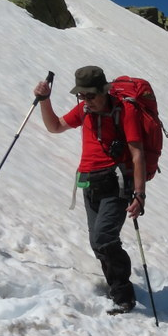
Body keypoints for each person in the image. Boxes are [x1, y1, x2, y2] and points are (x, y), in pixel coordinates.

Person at [33, 65, 146, 312]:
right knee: (98, 243)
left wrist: (139, 194)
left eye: (90, 95)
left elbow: (137, 154)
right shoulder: (83, 110)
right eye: (81, 96)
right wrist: (45, 101)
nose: (86, 101)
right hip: (89, 182)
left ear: (104, 90)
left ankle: (124, 296)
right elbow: (55, 126)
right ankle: (116, 287)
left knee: (103, 237)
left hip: (116, 183)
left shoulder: (124, 110)